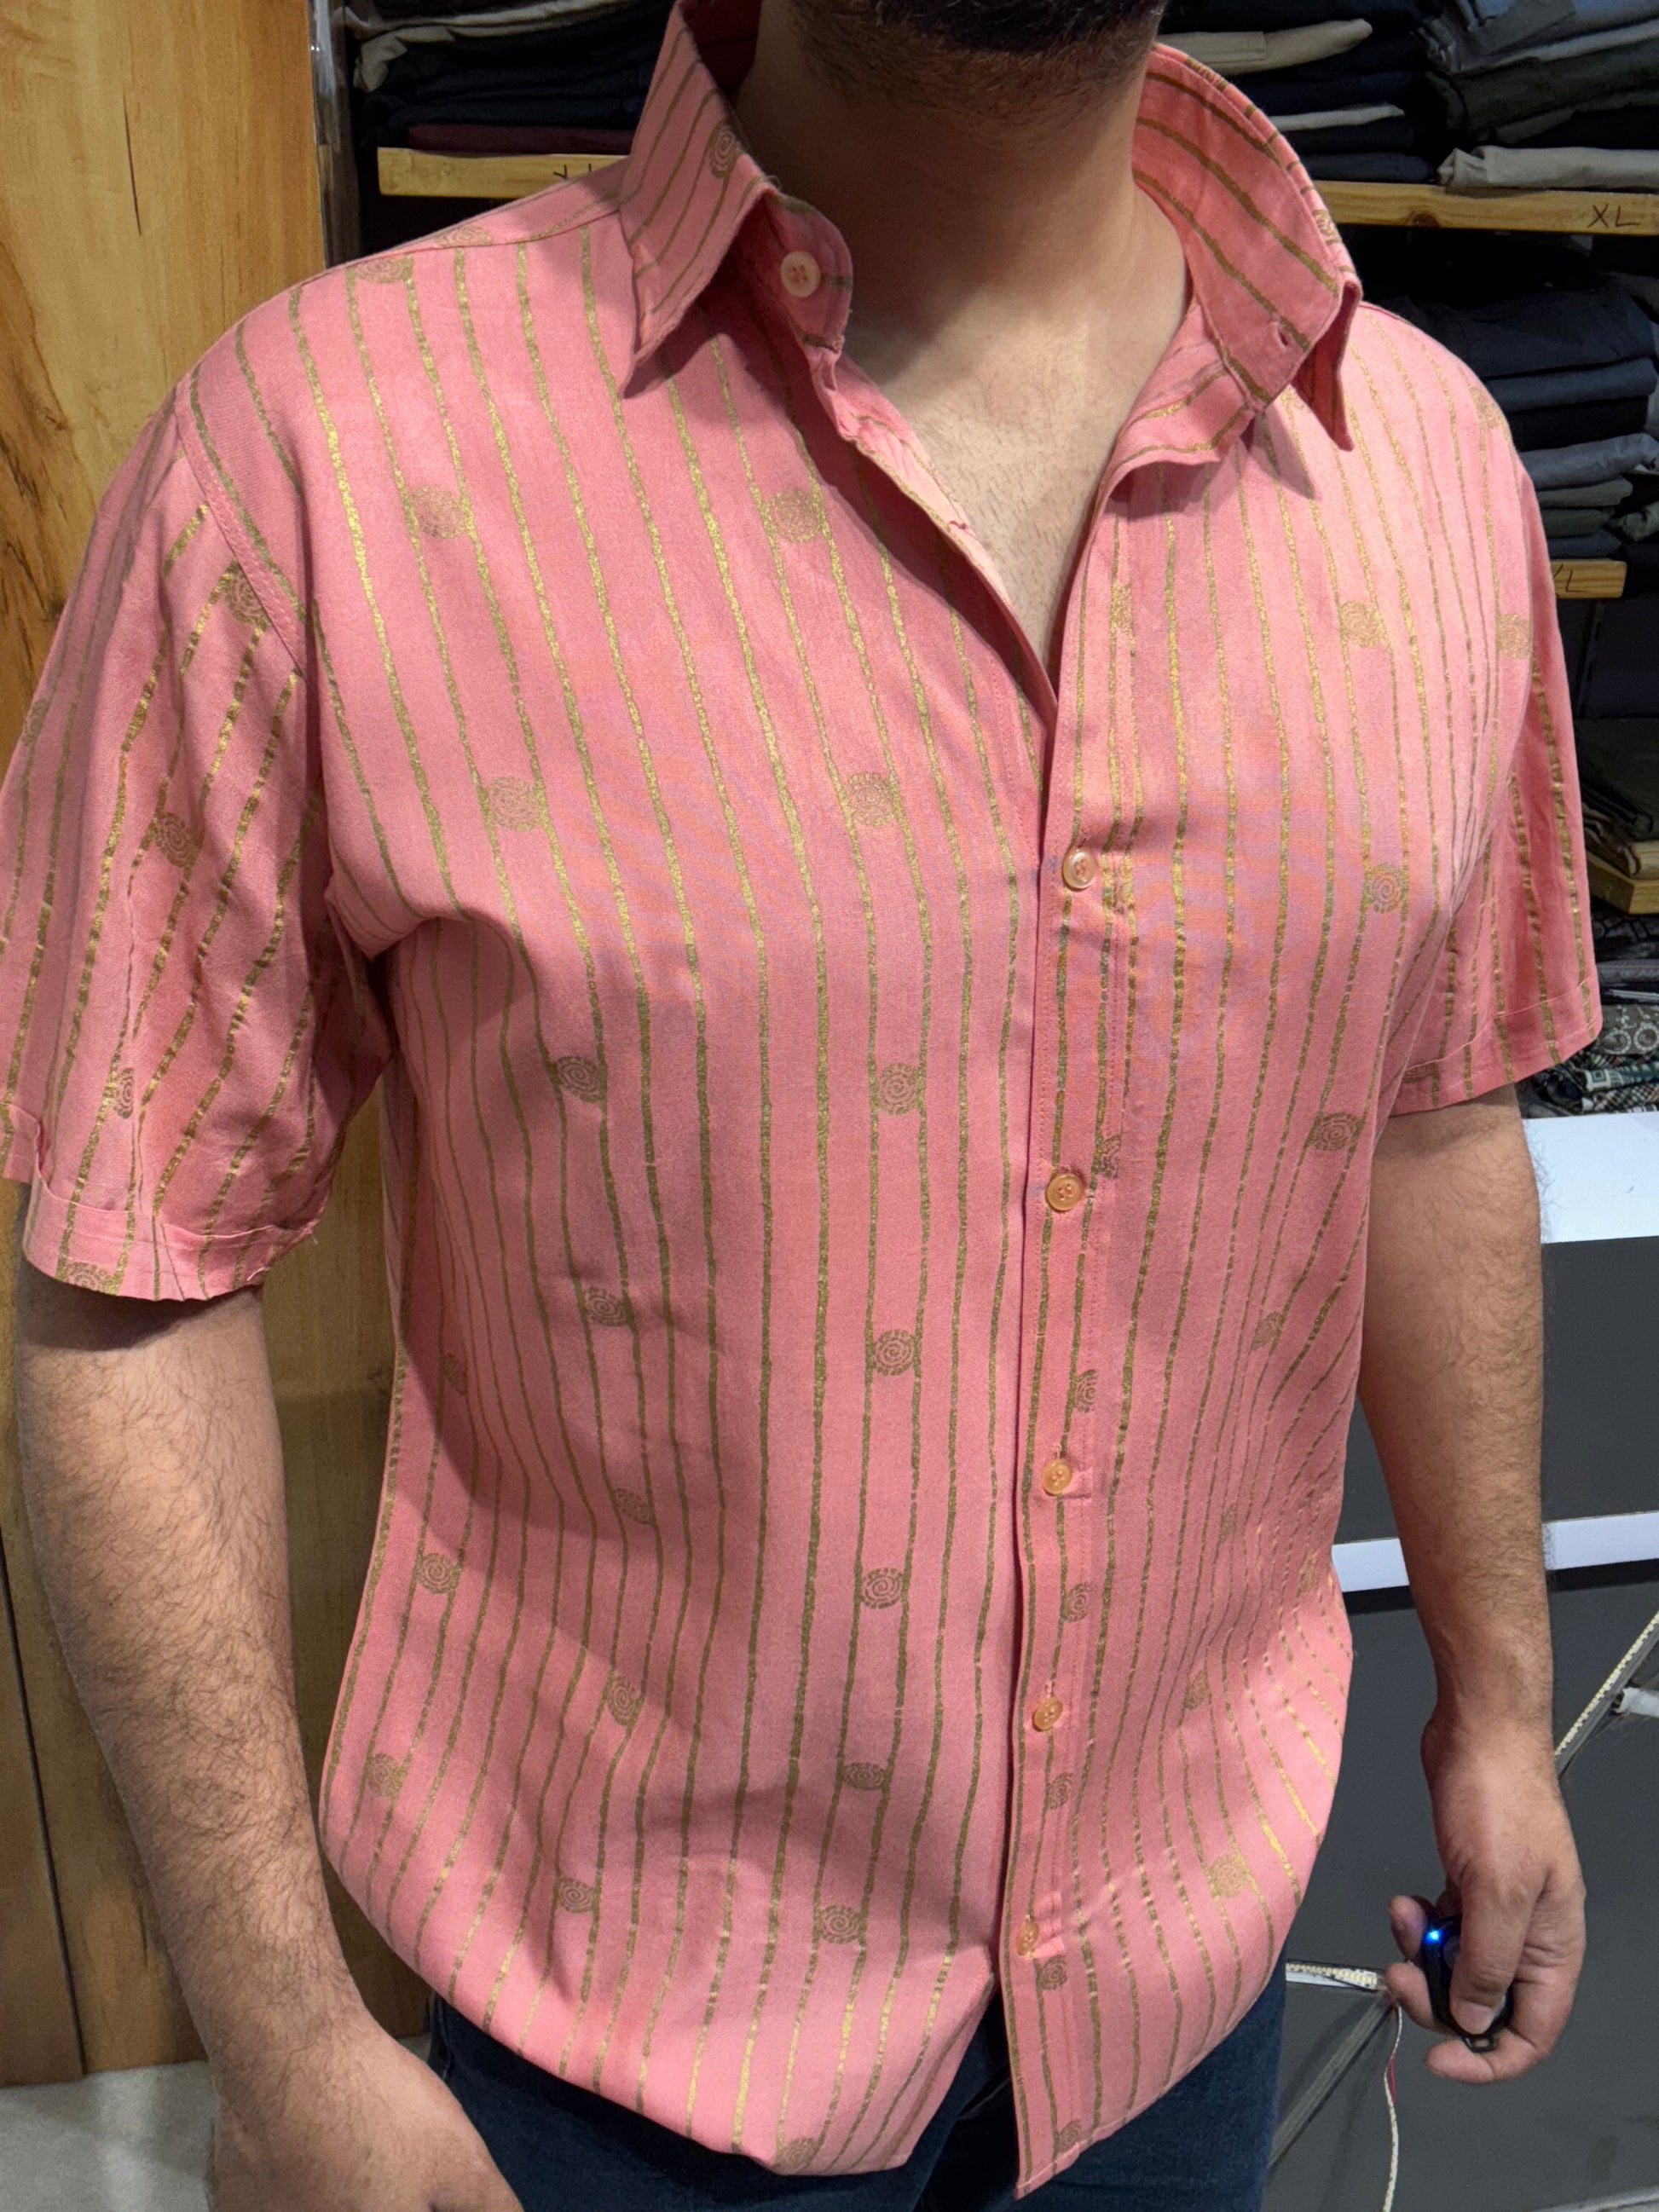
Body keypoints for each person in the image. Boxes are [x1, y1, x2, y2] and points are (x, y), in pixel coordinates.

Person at [0, 0, 1598, 2205]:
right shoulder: (319, 459)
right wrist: (279, 2037)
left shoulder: (1428, 473)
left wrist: (1498, 1705)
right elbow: (129, 1268)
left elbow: (1429, 1118)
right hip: (611, 2061)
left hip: (1179, 1996)